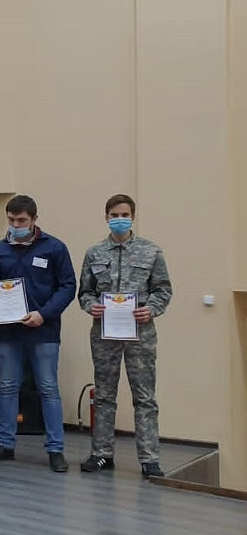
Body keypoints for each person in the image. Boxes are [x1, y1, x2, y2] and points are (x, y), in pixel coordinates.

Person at [78, 194, 172, 479]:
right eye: (114, 215)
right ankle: (102, 453)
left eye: (125, 215)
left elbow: (163, 290)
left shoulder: (151, 252)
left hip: (140, 333)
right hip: (105, 333)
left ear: (133, 217)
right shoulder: (94, 253)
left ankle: (149, 458)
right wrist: (90, 306)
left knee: (144, 397)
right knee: (104, 394)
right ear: (106, 217)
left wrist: (151, 309)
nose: (120, 219)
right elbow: (85, 292)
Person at [0, 194, 76, 473]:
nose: (16, 225)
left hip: (43, 330)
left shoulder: (55, 248)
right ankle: (5, 444)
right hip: (8, 332)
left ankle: (55, 449)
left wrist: (43, 314)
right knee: (7, 387)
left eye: (21, 220)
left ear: (34, 219)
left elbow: (68, 286)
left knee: (48, 388)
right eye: (11, 220)